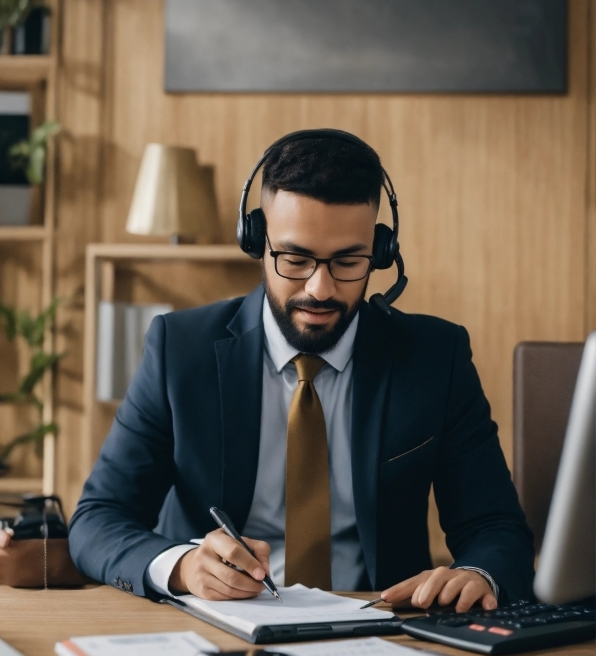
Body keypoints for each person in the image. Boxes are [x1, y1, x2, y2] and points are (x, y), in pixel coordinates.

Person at [68, 130, 534, 611]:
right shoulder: (179, 349)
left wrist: (480, 573)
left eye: (349, 261)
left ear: (380, 250)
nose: (320, 288)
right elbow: (98, 519)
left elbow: (495, 527)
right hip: (213, 625)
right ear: (256, 240)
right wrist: (181, 567)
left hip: (383, 626)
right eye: (294, 258)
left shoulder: (437, 356)